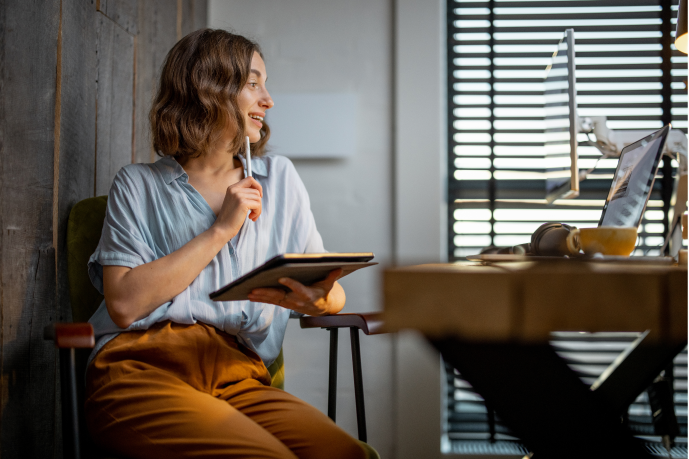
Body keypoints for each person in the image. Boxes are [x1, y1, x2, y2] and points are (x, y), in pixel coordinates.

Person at [84, 29, 368, 459]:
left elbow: (330, 286)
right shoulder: (138, 184)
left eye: (264, 84)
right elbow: (123, 305)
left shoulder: (281, 179)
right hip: (141, 367)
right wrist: (221, 229)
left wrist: (320, 299)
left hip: (240, 375)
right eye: (253, 84)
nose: (268, 100)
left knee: (347, 454)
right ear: (209, 89)